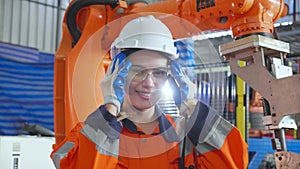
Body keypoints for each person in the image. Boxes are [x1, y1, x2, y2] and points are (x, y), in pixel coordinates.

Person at [51, 15, 248, 169]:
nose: (149, 83)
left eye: (159, 73)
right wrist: (110, 105)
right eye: (138, 71)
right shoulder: (85, 135)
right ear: (117, 72)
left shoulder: (185, 134)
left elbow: (234, 164)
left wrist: (193, 106)